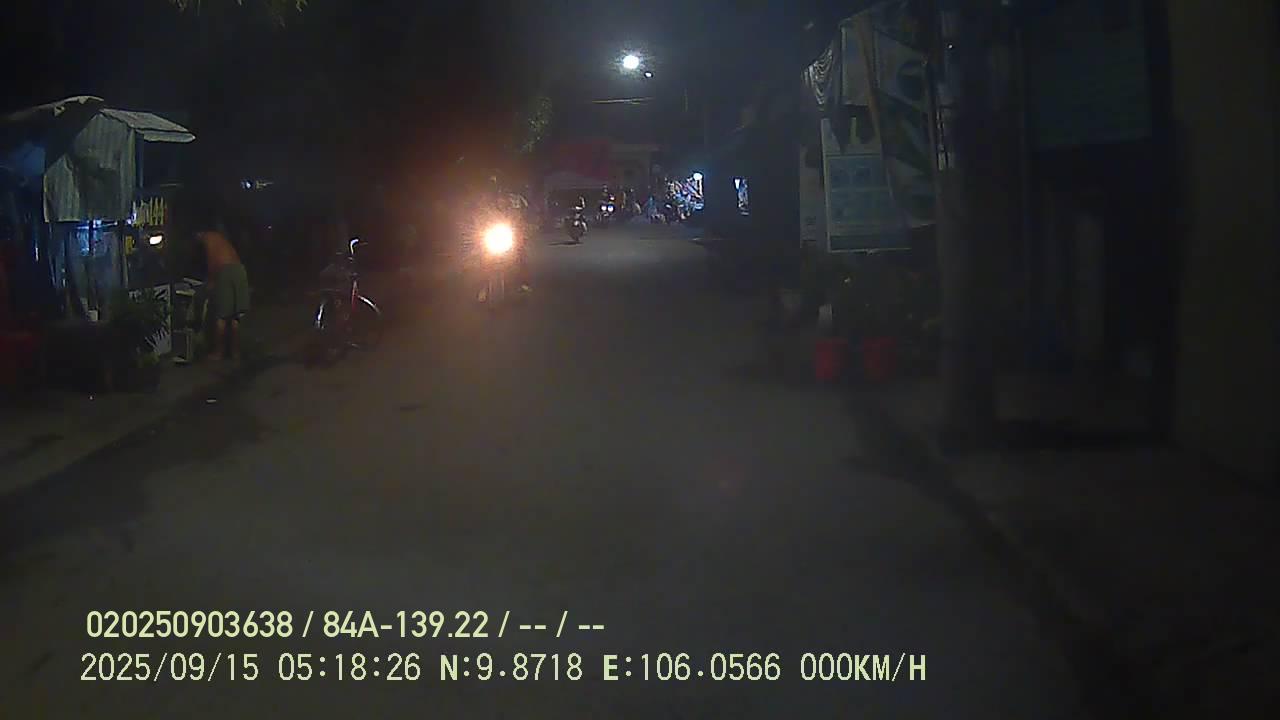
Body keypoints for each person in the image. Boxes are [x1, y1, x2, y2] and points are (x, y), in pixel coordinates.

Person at [196, 223, 250, 364]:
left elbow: (212, 262)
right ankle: (235, 352)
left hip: (226, 272)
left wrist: (211, 281)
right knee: (236, 316)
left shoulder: (208, 239)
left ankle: (218, 353)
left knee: (222, 317)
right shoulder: (220, 238)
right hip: (239, 270)